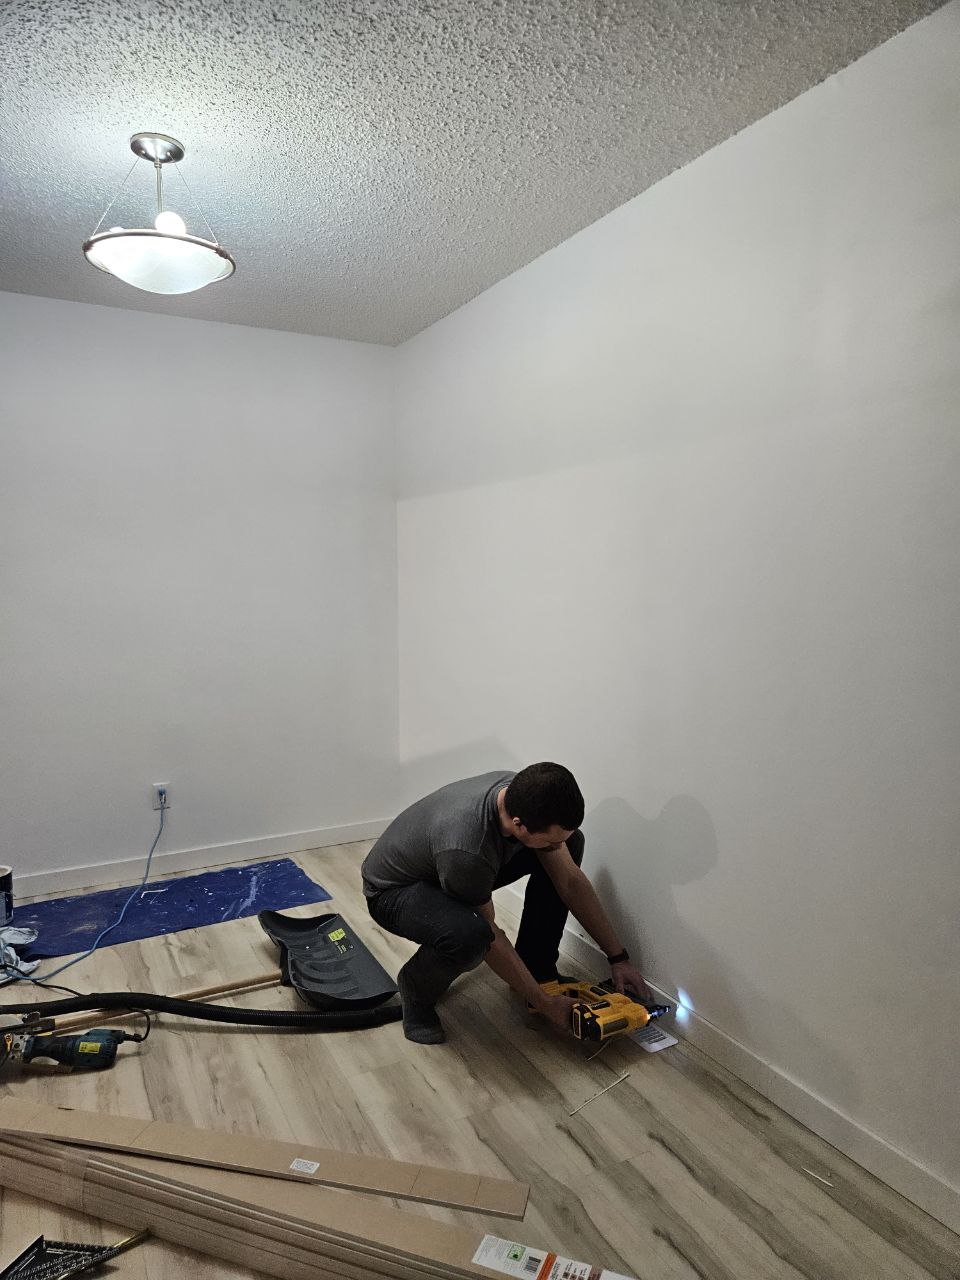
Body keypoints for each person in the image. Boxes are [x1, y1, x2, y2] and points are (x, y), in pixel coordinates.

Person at [361, 762, 649, 1044]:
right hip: (393, 892)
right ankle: (416, 990)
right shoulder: (468, 852)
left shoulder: (522, 795)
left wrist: (618, 958)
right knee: (471, 936)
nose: (555, 846)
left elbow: (570, 882)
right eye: (550, 843)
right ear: (519, 825)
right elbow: (492, 936)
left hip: (443, 865)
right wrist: (542, 1001)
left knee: (572, 846)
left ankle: (535, 965)